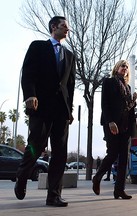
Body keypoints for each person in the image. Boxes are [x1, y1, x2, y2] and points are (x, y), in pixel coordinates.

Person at [14, 16, 76, 207]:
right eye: (64, 26)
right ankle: (22, 176)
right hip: (40, 107)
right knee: (36, 146)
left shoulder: (70, 56)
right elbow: (28, 73)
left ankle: (54, 195)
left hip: (61, 111)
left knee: (60, 153)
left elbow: (70, 85)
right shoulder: (38, 47)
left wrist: (70, 109)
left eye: (68, 27)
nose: (67, 29)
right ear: (53, 27)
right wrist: (30, 95)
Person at [92, 60, 137, 199]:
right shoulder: (109, 82)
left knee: (124, 158)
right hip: (112, 123)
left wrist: (133, 101)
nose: (125, 68)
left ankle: (119, 190)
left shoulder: (128, 87)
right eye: (122, 66)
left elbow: (128, 108)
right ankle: (98, 177)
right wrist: (110, 121)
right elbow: (104, 103)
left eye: (127, 67)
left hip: (125, 126)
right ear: (116, 68)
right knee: (112, 153)